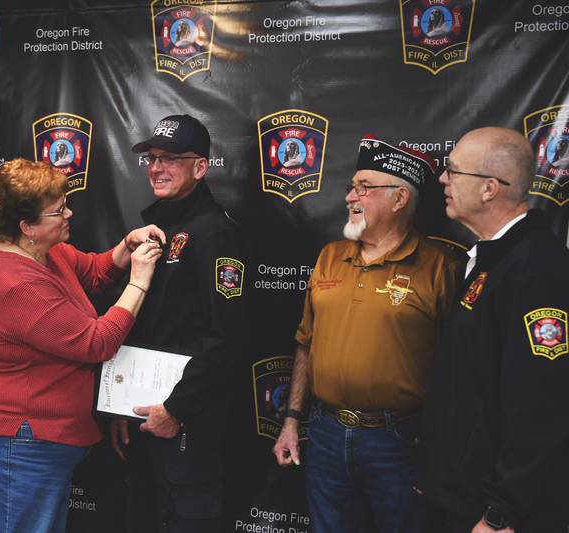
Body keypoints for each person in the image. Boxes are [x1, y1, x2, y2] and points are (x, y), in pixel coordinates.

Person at [0, 159, 164, 533]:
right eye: (58, 210)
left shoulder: (44, 252)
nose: (69, 213)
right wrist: (139, 281)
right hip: (15, 445)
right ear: (27, 227)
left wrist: (124, 248)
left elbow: (95, 271)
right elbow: (97, 342)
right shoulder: (17, 284)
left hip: (34, 443)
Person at [272, 136, 460, 533]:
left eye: (364, 187)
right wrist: (291, 419)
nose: (350, 197)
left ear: (399, 198)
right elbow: (306, 341)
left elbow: (457, 367)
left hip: (398, 442)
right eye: (350, 187)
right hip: (324, 434)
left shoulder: (439, 267)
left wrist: (437, 450)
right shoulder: (330, 256)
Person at [417, 127, 569, 533]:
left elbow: (542, 406)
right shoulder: (489, 260)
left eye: (453, 172)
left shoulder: (538, 269)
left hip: (492, 517)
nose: (442, 181)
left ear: (489, 190)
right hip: (457, 498)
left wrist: (502, 512)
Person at [110, 114, 249, 532]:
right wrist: (122, 404)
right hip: (143, 420)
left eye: (170, 158)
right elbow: (145, 327)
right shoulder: (156, 227)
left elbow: (226, 339)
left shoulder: (214, 234)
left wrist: (176, 410)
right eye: (152, 158)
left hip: (187, 427)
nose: (156, 168)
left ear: (200, 167)